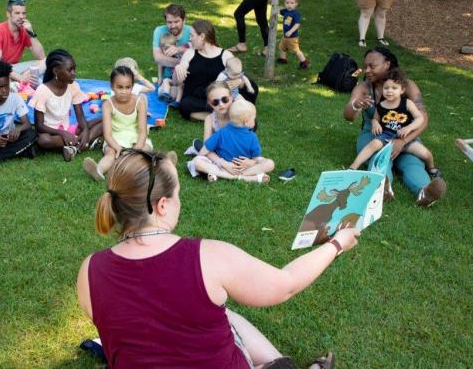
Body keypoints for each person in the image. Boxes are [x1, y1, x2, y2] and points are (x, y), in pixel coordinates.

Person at [77, 149, 355, 368]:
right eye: (177, 195)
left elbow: (129, 325)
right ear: (162, 205)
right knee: (227, 317)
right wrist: (336, 244)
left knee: (217, 310)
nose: (179, 202)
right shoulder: (207, 256)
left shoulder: (90, 269)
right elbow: (286, 284)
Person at [343, 47, 446, 207]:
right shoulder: (364, 87)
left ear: (387, 64)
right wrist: (356, 105)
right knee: (378, 158)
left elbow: (423, 118)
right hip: (374, 135)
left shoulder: (407, 86)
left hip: (404, 135)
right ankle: (383, 187)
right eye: (366, 66)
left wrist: (403, 142)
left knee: (412, 162)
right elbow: (348, 116)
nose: (367, 70)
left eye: (372, 66)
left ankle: (425, 192)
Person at [173, 19, 258, 121]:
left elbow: (237, 73)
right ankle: (225, 116)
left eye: (192, 35)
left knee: (252, 88)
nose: (189, 39)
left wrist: (239, 81)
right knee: (185, 105)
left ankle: (224, 112)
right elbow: (177, 80)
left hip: (221, 96)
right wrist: (179, 68)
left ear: (202, 36)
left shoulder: (225, 54)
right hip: (200, 97)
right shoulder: (190, 53)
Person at [83, 66, 152, 181]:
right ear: (112, 87)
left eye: (128, 87)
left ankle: (155, 167)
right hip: (115, 139)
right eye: (120, 87)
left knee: (145, 150)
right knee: (110, 154)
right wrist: (116, 147)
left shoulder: (140, 101)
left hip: (135, 138)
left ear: (133, 87)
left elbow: (142, 131)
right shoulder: (107, 105)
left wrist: (137, 148)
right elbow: (107, 134)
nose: (124, 92)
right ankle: (98, 170)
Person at [32, 49, 102, 162]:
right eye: (70, 70)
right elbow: (39, 126)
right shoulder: (43, 91)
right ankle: (84, 143)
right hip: (51, 133)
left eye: (74, 69)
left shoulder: (73, 86)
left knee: (104, 121)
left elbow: (81, 117)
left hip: (68, 129)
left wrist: (85, 131)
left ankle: (74, 147)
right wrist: (62, 133)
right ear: (56, 71)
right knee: (43, 140)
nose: (74, 73)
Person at [192, 100, 274, 183]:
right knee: (270, 164)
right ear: (246, 122)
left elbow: (206, 148)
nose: (254, 120)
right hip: (242, 168)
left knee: (197, 161)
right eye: (253, 118)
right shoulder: (252, 137)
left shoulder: (222, 132)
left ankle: (223, 175)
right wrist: (252, 162)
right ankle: (244, 177)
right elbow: (256, 157)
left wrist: (198, 157)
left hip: (222, 167)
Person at [0, 0, 45, 87]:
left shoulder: (24, 31)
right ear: (8, 14)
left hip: (12, 69)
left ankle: (20, 82)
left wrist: (31, 33)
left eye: (24, 13)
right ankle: (22, 82)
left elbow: (41, 56)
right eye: (17, 13)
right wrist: (20, 77)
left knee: (47, 61)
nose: (21, 17)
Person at [152, 4, 191, 99]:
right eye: (169, 22)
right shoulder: (159, 31)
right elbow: (158, 58)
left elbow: (198, 53)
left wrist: (178, 50)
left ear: (184, 19)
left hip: (186, 77)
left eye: (176, 21)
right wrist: (184, 64)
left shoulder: (192, 32)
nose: (173, 26)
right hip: (168, 77)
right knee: (170, 93)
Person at [277, 0, 309, 69]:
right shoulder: (285, 11)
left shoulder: (295, 14)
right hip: (285, 36)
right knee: (282, 47)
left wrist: (291, 31)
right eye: (287, 3)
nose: (289, 5)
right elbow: (279, 11)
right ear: (285, 3)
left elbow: (297, 24)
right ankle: (283, 59)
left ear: (296, 4)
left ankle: (304, 62)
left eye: (292, 3)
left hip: (292, 37)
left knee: (296, 50)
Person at [156, 33, 184, 104]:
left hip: (178, 80)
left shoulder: (178, 56)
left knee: (181, 86)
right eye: (164, 49)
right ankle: (166, 94)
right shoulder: (164, 57)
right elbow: (160, 65)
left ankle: (177, 102)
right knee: (165, 82)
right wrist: (160, 78)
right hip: (170, 80)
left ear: (174, 47)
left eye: (169, 48)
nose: (166, 51)